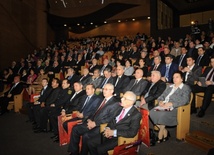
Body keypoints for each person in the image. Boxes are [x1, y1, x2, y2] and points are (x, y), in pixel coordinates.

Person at [67, 83, 122, 155]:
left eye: (106, 89)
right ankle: (74, 152)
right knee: (75, 129)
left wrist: (95, 123)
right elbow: (94, 111)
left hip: (101, 125)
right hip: (93, 121)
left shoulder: (115, 103)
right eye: (103, 89)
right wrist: (90, 120)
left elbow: (109, 119)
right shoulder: (102, 99)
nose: (104, 91)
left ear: (112, 91)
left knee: (86, 136)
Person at [149, 71, 191, 143]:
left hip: (174, 108)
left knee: (162, 115)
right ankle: (164, 131)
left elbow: (185, 100)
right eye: (173, 77)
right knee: (151, 112)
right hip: (164, 106)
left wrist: (172, 104)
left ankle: (161, 133)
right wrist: (161, 101)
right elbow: (162, 96)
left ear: (182, 79)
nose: (174, 79)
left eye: (177, 77)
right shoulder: (169, 86)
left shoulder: (185, 88)